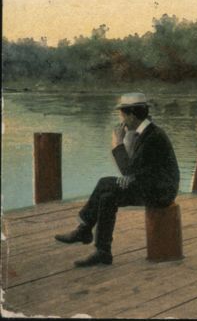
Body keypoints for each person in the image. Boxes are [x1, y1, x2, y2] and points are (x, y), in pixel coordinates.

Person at [54, 93, 180, 267]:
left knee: (104, 183)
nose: (121, 120)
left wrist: (117, 143)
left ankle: (84, 229)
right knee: (108, 197)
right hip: (149, 184)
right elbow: (137, 169)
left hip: (161, 192)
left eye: (122, 115)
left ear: (132, 115)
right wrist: (130, 178)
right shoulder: (145, 132)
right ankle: (103, 251)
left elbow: (128, 170)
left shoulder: (153, 136)